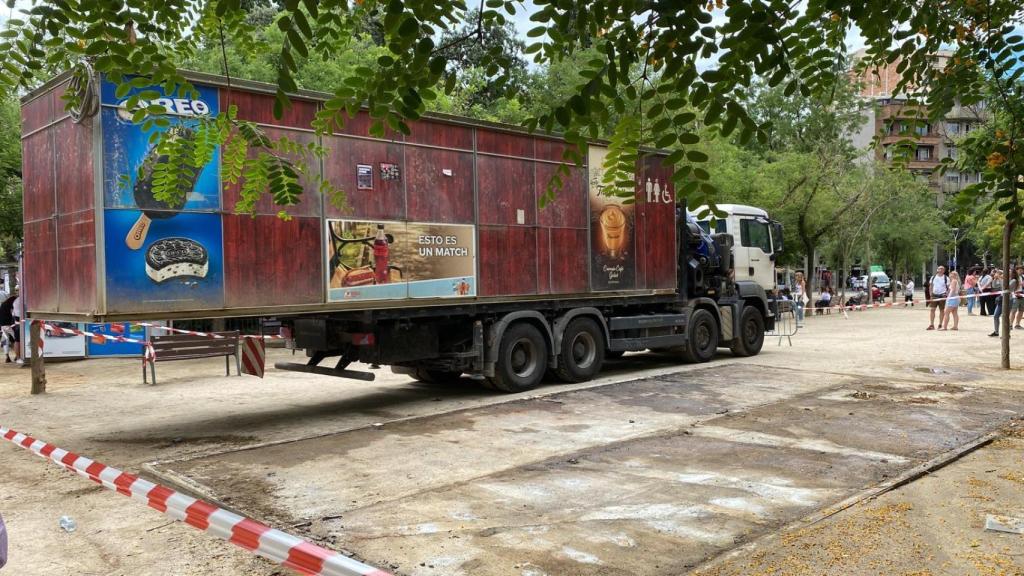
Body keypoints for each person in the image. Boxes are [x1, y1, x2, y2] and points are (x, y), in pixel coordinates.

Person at [927, 266, 948, 330]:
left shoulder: (946, 278)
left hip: (942, 295)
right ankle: (931, 324)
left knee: (942, 310)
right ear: (937, 270)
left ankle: (940, 324)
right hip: (934, 295)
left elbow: (948, 287)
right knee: (932, 309)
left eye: (942, 269)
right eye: (939, 269)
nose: (941, 270)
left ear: (944, 271)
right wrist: (930, 294)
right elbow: (931, 286)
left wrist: (947, 294)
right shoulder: (933, 277)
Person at [0, 293, 18, 363]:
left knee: (5, 341)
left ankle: (7, 357)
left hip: (3, 326)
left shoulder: (2, 305)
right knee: (17, 340)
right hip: (9, 326)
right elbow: (13, 315)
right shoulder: (11, 306)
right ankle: (18, 356)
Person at [990, 269, 1004, 337]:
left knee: (1005, 317)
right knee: (995, 316)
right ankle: (996, 332)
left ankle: (1006, 333)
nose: (998, 275)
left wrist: (999, 278)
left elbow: (1004, 286)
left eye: (999, 274)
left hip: (1007, 301)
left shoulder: (1007, 280)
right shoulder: (999, 280)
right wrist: (995, 279)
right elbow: (994, 286)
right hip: (1000, 300)